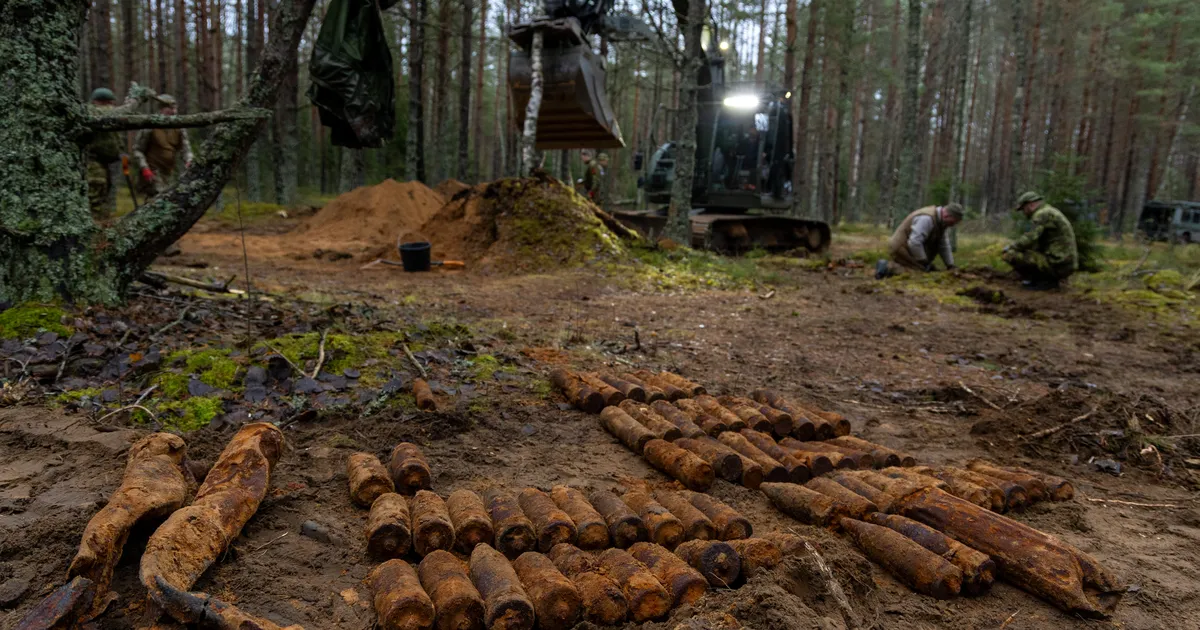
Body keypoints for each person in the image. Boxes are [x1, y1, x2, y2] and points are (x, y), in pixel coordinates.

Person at [1004, 191, 1078, 290]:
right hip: (1064, 262)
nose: (1024, 213)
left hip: (1057, 263)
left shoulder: (1041, 214)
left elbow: (1030, 238)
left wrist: (1011, 247)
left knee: (1011, 254)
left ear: (1030, 205)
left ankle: (1044, 281)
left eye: (1023, 209)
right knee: (1031, 253)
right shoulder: (1049, 211)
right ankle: (1045, 280)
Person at [876, 203, 964, 279]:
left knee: (928, 270)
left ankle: (898, 266)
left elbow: (943, 245)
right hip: (901, 247)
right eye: (953, 222)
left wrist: (950, 265)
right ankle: (887, 267)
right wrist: (923, 261)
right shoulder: (926, 219)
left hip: (909, 248)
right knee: (919, 273)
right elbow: (914, 242)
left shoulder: (941, 222)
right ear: (947, 216)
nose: (953, 225)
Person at [133, 94, 193, 198]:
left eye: (174, 108)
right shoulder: (150, 126)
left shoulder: (179, 127)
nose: (173, 112)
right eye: (169, 109)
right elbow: (138, 150)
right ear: (161, 109)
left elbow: (186, 149)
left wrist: (189, 160)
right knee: (159, 197)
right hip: (153, 171)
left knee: (172, 198)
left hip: (170, 172)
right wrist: (145, 168)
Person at [85, 88, 124, 219]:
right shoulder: (94, 111)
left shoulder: (100, 113)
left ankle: (103, 225)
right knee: (95, 197)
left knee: (105, 196)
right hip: (93, 163)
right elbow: (115, 112)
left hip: (105, 162)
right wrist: (135, 100)